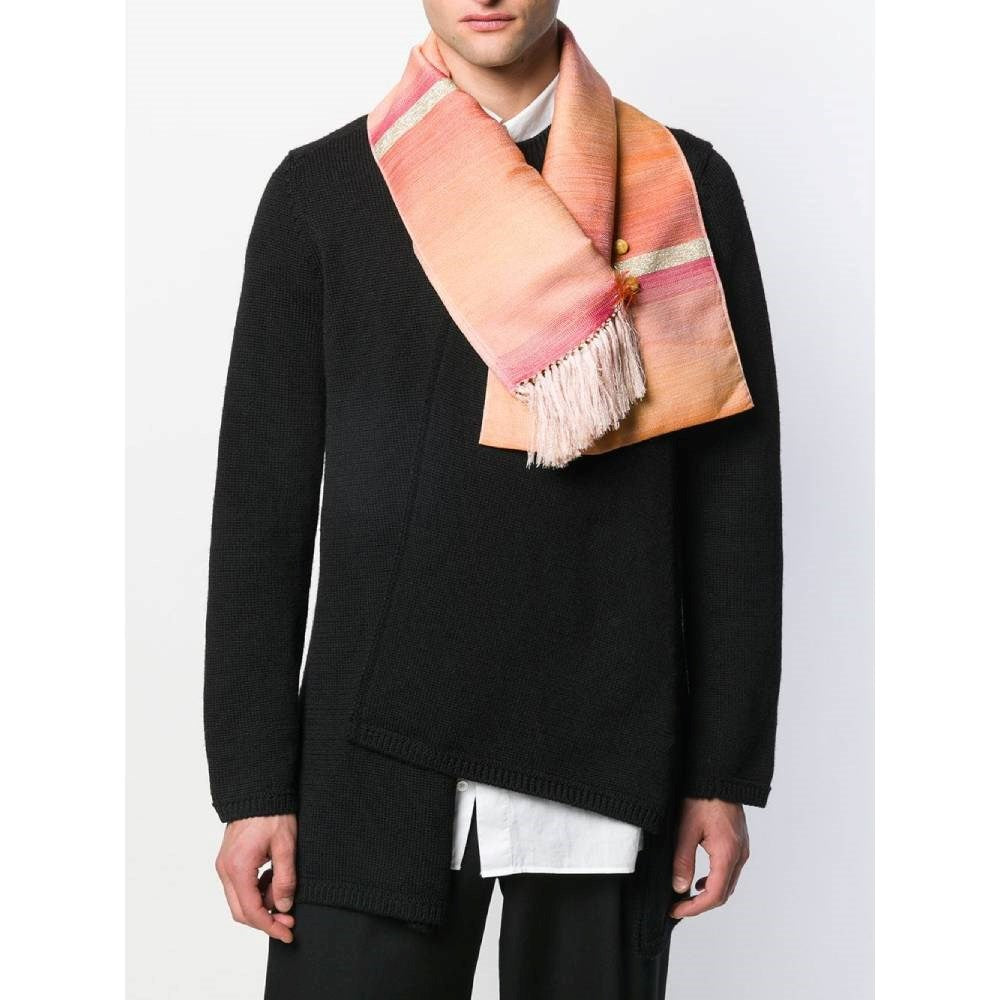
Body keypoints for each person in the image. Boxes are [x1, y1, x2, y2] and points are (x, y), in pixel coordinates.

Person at [203, 2, 783, 997]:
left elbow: (731, 498)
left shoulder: (680, 186)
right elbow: (262, 501)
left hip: (607, 738)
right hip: (371, 752)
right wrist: (253, 781)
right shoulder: (324, 191)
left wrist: (720, 771)